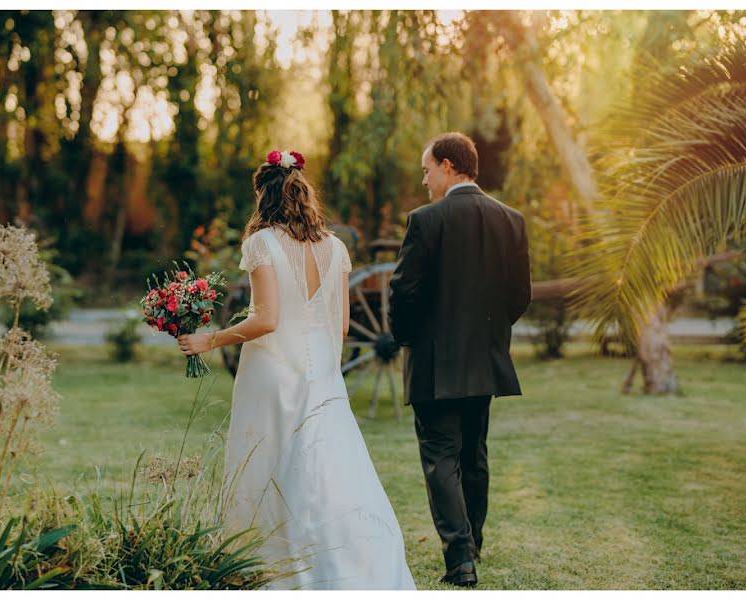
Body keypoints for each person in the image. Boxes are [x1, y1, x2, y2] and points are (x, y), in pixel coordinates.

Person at [177, 150, 416, 590]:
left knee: (267, 461)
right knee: (328, 464)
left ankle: (267, 564)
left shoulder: (260, 243)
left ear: (263, 196)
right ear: (302, 192)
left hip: (272, 369)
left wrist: (209, 339)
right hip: (322, 371)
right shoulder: (335, 247)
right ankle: (352, 559)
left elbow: (267, 319)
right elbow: (341, 325)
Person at [388, 132, 531, 587]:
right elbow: (519, 296)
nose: (425, 179)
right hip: (484, 363)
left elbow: (403, 292)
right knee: (474, 456)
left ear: (449, 165)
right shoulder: (511, 220)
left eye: (427, 169)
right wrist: (488, 335)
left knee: (440, 460)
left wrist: (412, 339)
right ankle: (475, 546)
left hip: (435, 365)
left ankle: (460, 560)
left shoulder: (425, 221)